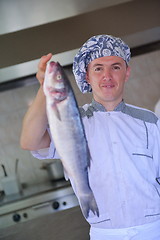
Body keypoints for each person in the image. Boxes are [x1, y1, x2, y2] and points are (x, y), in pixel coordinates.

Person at [20, 35, 160, 240]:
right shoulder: (71, 121)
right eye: (98, 68)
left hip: (154, 229)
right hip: (105, 234)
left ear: (127, 72)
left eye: (116, 67)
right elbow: (29, 141)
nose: (107, 76)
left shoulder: (150, 121)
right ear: (87, 76)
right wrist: (45, 86)